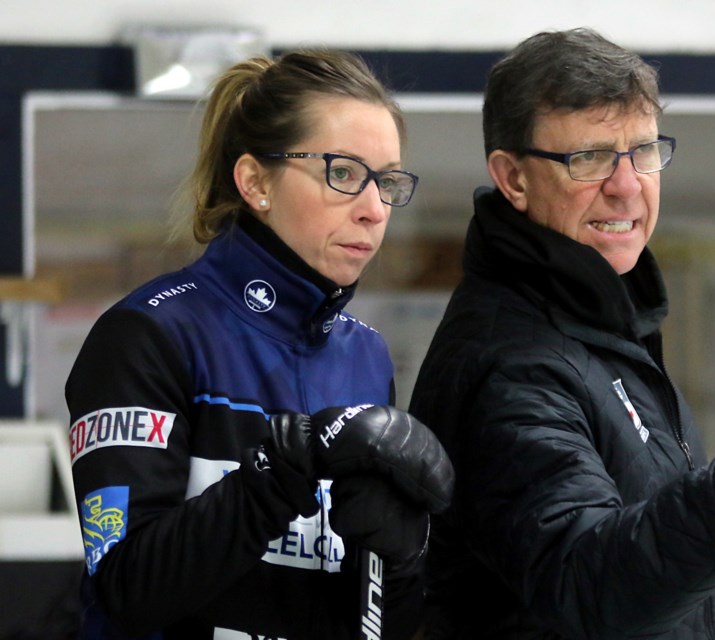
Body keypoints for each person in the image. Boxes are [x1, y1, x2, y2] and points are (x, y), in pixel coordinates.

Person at [408, 28, 715, 640]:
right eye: (589, 158)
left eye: (642, 151)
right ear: (513, 178)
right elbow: (591, 589)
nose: (626, 185)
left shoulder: (604, 327)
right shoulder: (511, 362)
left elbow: (685, 613)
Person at [66, 49, 453, 640]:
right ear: (254, 182)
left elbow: (372, 623)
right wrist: (275, 475)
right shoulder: (149, 334)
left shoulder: (365, 356)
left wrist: (398, 564)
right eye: (344, 173)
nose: (375, 210)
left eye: (388, 182)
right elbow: (126, 588)